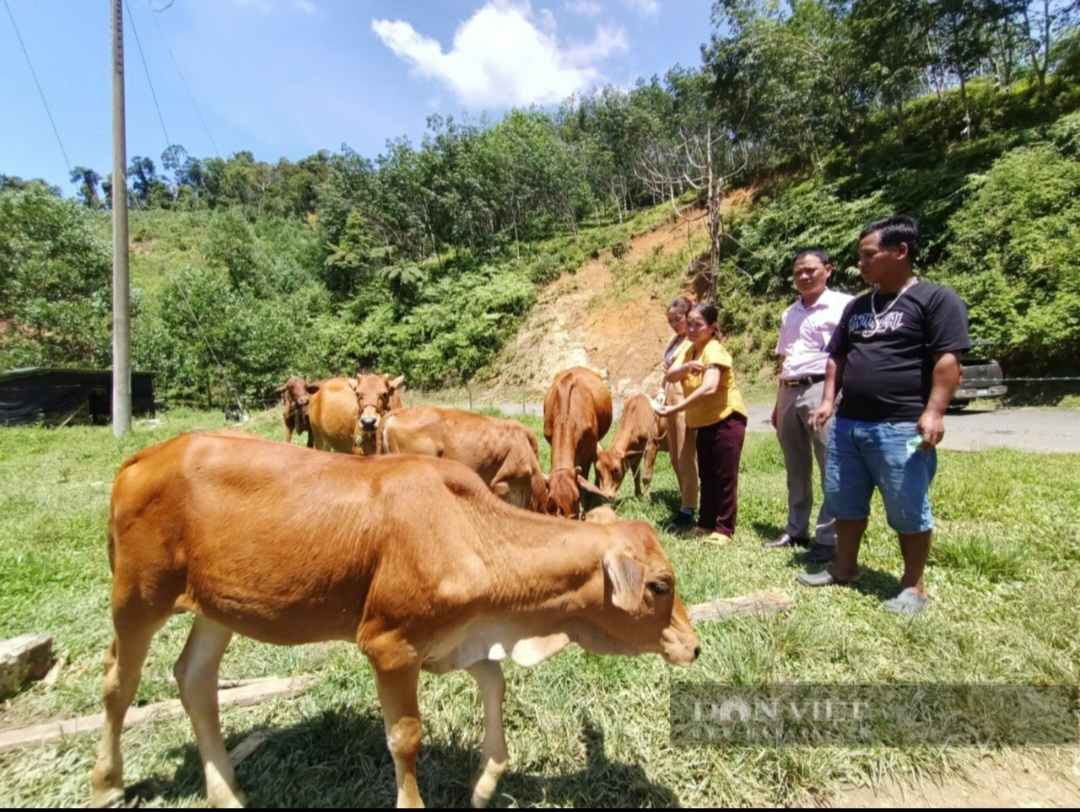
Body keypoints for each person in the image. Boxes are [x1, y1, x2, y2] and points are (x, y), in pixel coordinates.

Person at [798, 215, 970, 615]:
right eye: (860, 257)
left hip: (901, 426)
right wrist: (827, 402)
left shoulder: (935, 299)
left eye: (868, 255)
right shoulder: (859, 305)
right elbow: (837, 358)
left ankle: (913, 586)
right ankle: (844, 567)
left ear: (901, 251)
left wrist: (934, 412)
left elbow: (947, 361)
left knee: (907, 505)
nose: (862, 263)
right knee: (844, 499)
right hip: (849, 424)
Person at [765, 249, 853, 564]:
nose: (803, 276)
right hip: (789, 389)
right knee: (796, 466)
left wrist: (834, 395)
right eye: (798, 271)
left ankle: (828, 538)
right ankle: (795, 528)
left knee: (831, 464)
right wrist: (778, 402)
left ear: (827, 270)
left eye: (810, 270)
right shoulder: (790, 313)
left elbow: (848, 354)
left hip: (822, 388)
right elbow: (786, 358)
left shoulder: (844, 305)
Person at [655, 302, 748, 547]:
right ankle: (706, 524)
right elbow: (670, 376)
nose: (692, 329)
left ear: (712, 327)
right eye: (690, 324)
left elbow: (709, 387)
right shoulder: (689, 350)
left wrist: (676, 408)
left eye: (699, 325)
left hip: (726, 418)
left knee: (724, 475)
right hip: (704, 421)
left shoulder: (714, 350)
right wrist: (685, 367)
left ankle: (724, 528)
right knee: (707, 474)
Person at [659, 296, 699, 531]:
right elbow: (666, 371)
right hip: (669, 400)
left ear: (688, 316)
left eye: (678, 319)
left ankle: (688, 508)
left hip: (684, 400)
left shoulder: (694, 341)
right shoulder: (675, 340)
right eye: (670, 320)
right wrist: (660, 391)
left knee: (685, 454)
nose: (674, 324)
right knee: (674, 454)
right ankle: (686, 497)